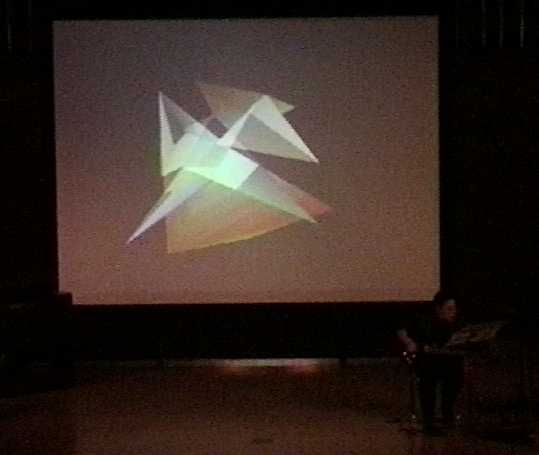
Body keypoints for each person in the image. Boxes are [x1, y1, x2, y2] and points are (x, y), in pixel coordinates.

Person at [397, 292, 464, 434]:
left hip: (449, 361)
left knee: (456, 374)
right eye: (449, 309)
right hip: (427, 361)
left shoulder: (456, 324)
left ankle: (447, 412)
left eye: (454, 309)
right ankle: (429, 419)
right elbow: (403, 331)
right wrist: (410, 343)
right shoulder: (424, 321)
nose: (453, 313)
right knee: (428, 377)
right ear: (438, 309)